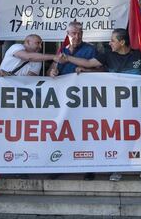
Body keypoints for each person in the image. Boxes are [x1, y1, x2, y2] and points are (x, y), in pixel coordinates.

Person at [57, 28, 141, 182]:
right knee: (119, 137)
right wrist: (68, 58)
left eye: (112, 41)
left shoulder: (140, 56)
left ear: (122, 42)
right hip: (115, 106)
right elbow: (89, 62)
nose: (109, 43)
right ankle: (118, 169)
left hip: (138, 106)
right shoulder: (108, 55)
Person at [48, 21, 97, 181]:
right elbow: (51, 70)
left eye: (79, 33)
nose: (77, 36)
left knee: (85, 133)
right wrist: (53, 71)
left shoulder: (90, 49)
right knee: (63, 132)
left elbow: (101, 70)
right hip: (64, 99)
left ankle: (89, 168)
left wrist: (85, 70)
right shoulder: (62, 50)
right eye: (73, 33)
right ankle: (59, 165)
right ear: (67, 34)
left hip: (84, 98)